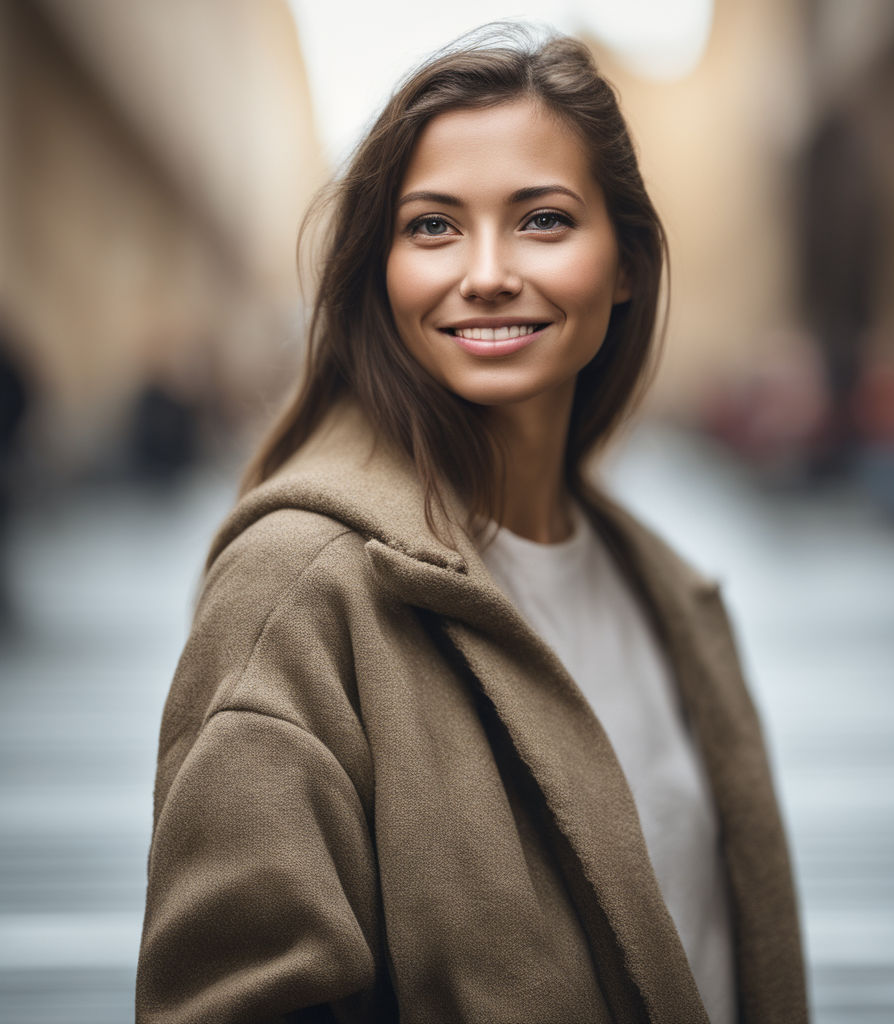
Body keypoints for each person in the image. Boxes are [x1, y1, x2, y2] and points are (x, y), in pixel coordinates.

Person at [136, 26, 806, 1024]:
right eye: (434, 227)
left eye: (541, 220)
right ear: (381, 274)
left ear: (623, 262)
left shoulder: (668, 595)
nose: (485, 272)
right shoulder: (299, 584)